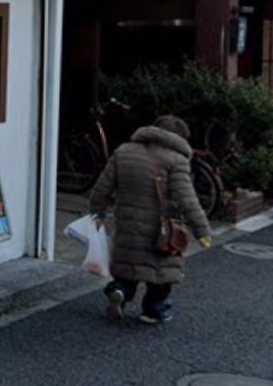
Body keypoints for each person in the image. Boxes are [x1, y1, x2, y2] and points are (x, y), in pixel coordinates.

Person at [88, 114, 211, 324]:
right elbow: (186, 199)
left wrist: (97, 212)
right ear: (180, 137)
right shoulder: (176, 160)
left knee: (128, 264)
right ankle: (153, 310)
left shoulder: (123, 152)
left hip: (126, 223)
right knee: (161, 272)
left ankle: (119, 291)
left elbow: (102, 188)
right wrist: (202, 231)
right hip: (161, 229)